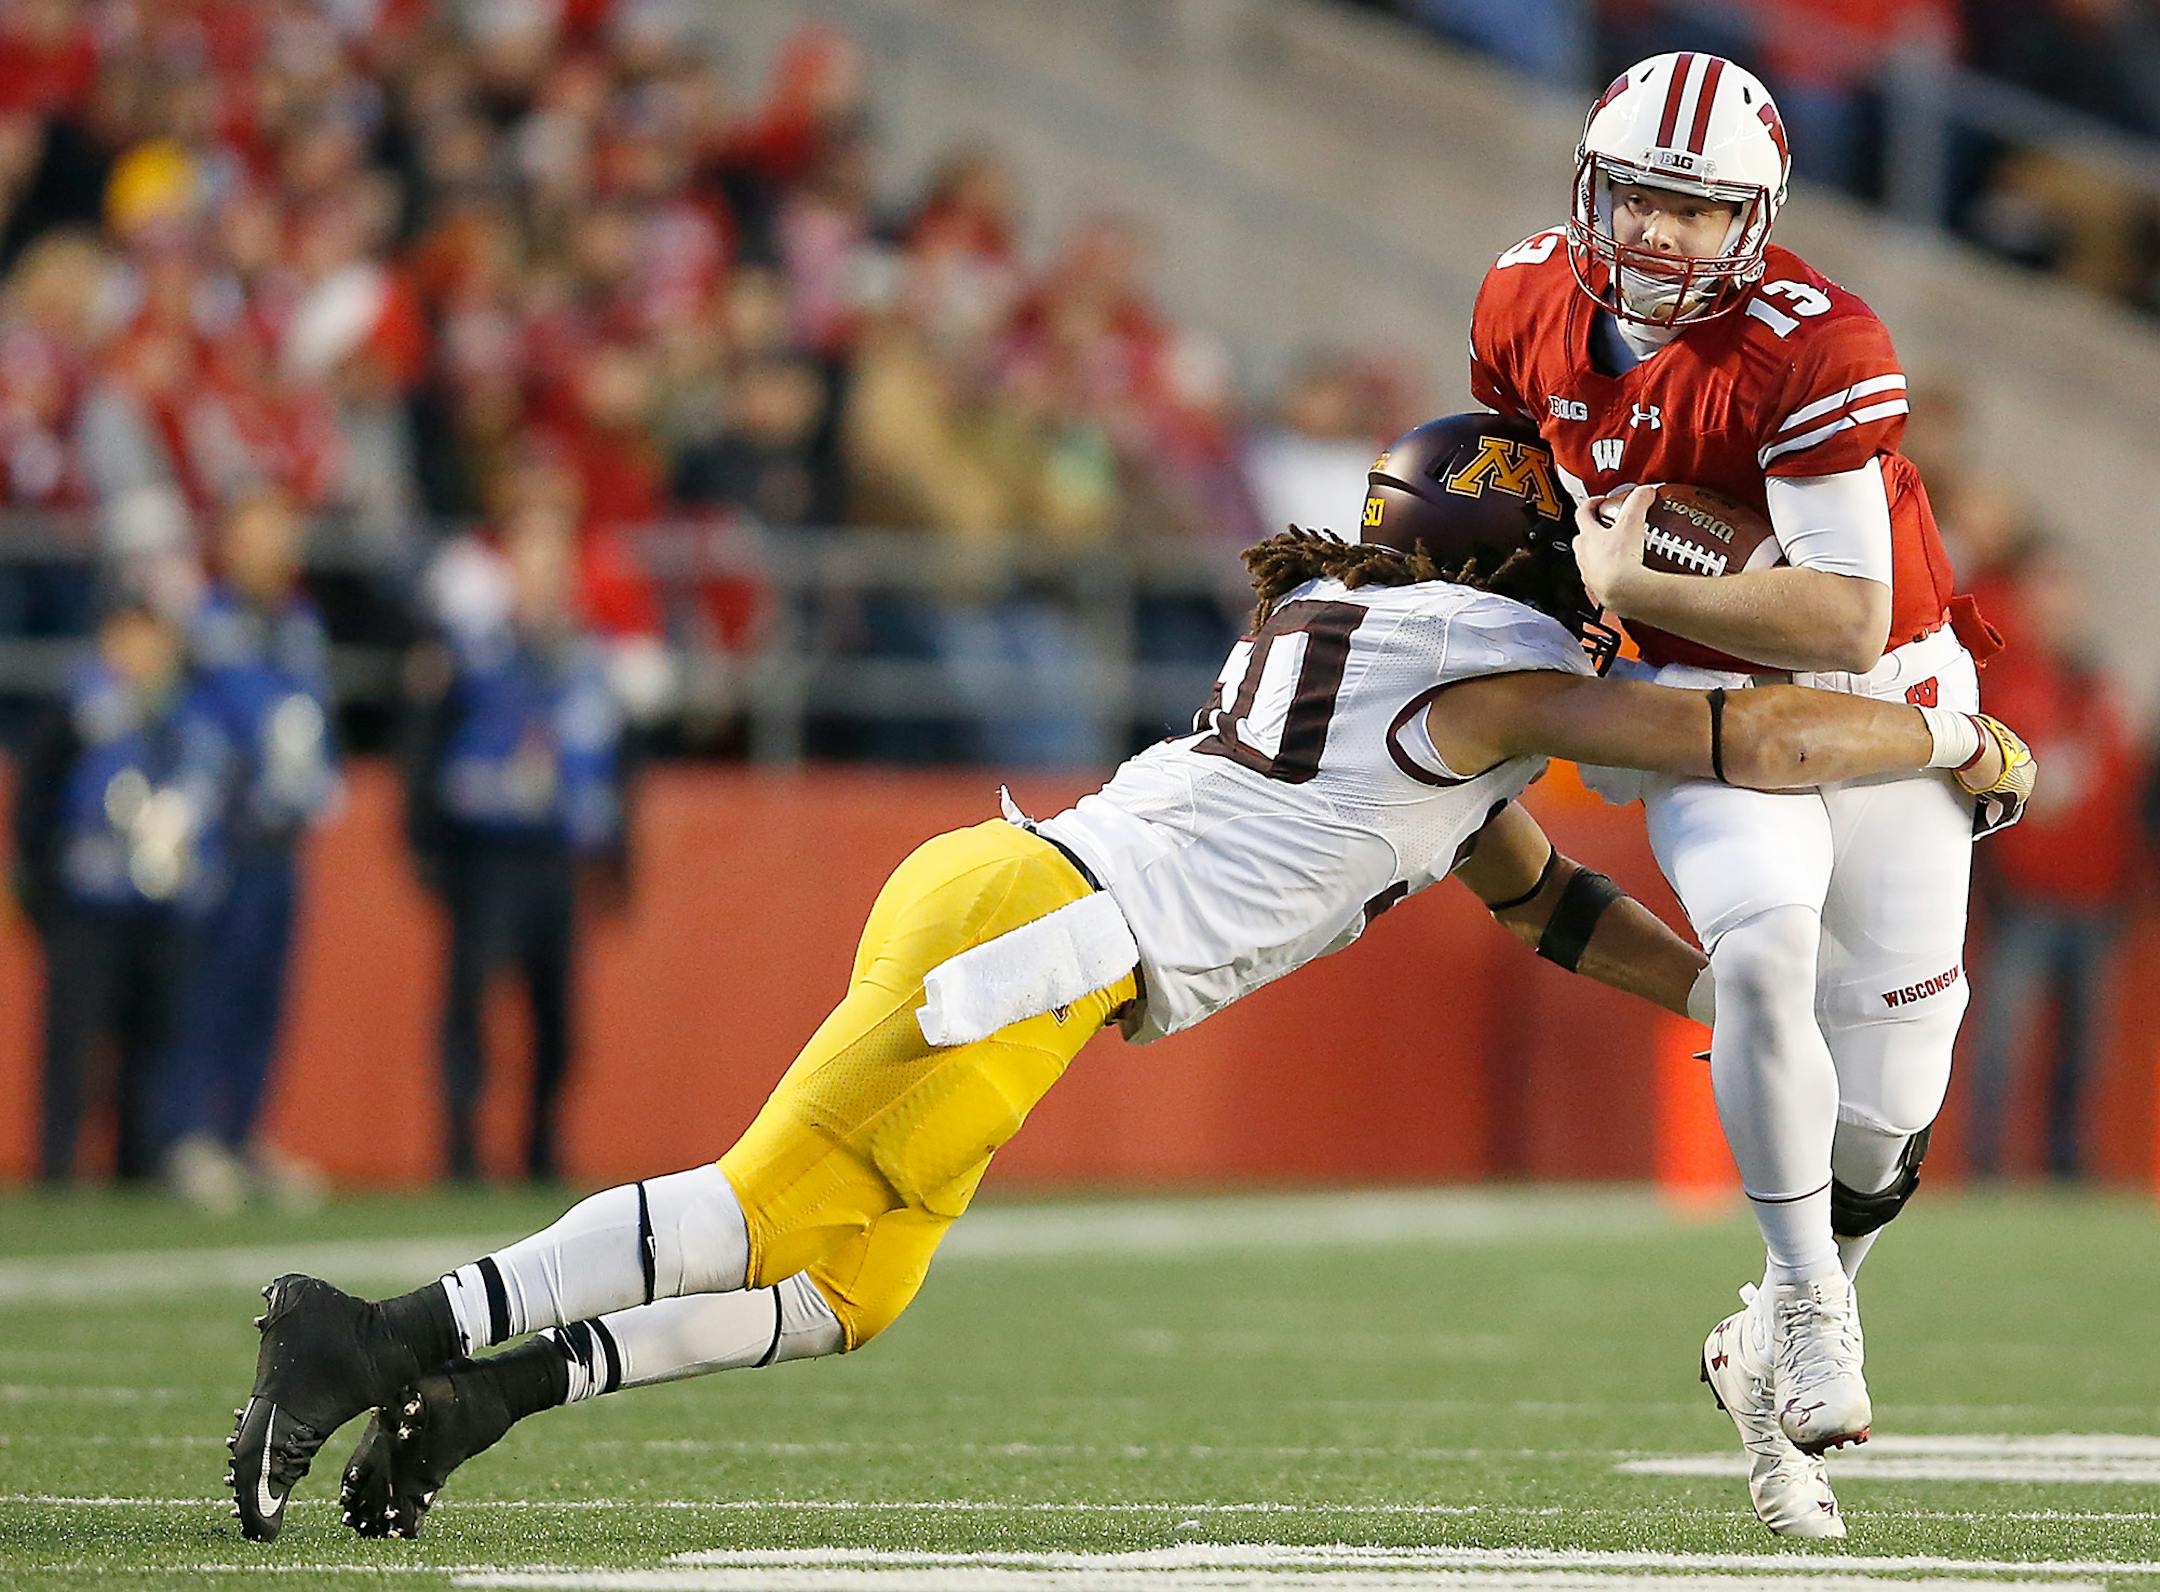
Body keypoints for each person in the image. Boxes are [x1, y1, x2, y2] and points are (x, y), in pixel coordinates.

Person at [223, 414, 2033, 1545]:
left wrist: (1722, 1004)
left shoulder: (1401, 647)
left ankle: (486, 1396)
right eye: (1567, 533)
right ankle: (371, 1335)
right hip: (1041, 933)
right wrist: (1946, 729)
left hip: (1012, 903)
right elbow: (1752, 732)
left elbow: (1541, 899)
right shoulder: (1491, 667)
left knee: (848, 1291)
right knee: (750, 1209)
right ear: (1518, 552)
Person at [1467, 52, 2009, 1536]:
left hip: (1873, 696)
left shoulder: (1816, 343)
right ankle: (1817, 1314)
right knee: (1762, 963)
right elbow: (1513, 480)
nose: (1659, 234)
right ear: (1593, 184)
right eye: (1641, 195)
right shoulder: (1521, 300)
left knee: (1891, 1098)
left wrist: (1631, 570)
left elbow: (1842, 617)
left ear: (1757, 220)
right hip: (1694, 706)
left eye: (1700, 211)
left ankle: (1764, 1333)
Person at [403, 501, 628, 1183]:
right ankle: (462, 1151)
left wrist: (617, 859)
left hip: (556, 857)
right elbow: (427, 747)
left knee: (556, 1014)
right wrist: (428, 847)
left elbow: (618, 768)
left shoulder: (589, 660)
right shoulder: (474, 655)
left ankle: (541, 1147)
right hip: (489, 855)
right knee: (471, 1002)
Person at [10, 590, 232, 1183]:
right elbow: (37, 802)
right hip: (89, 902)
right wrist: (41, 887)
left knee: (152, 1043)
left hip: (162, 910)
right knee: (74, 1041)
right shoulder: (79, 708)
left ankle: (135, 1168)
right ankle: (58, 1168)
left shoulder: (192, 715)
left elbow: (220, 805)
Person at [160, 489, 340, 1212]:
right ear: (229, 544)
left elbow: (314, 718)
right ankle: (191, 1135)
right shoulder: (206, 625)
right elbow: (191, 726)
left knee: (268, 990)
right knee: (212, 987)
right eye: (259, 534)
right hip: (222, 837)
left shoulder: (300, 626)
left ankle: (245, 1133)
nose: (273, 550)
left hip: (280, 838)